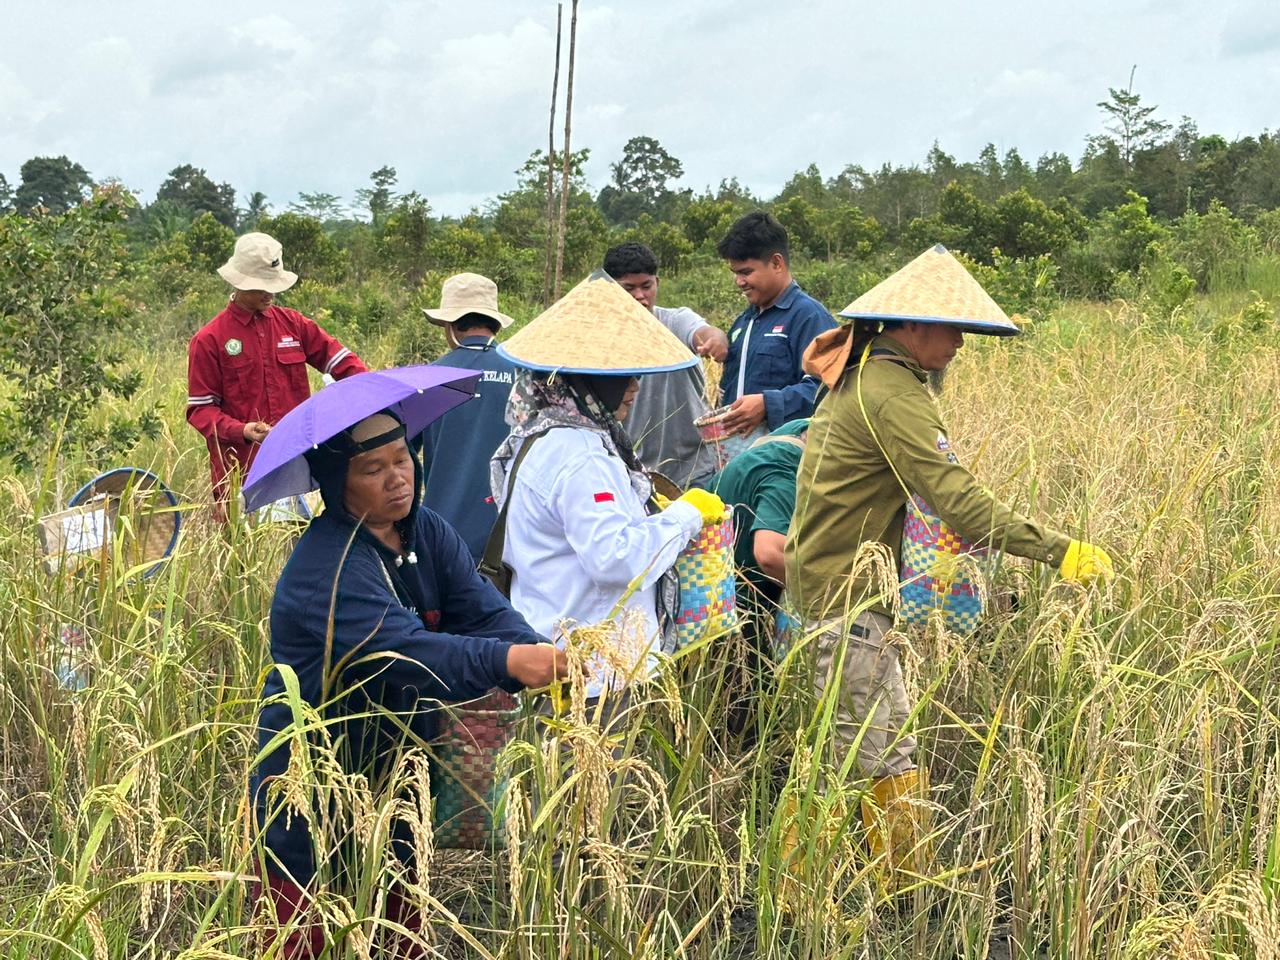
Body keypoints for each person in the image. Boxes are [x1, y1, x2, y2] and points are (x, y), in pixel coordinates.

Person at [784, 244, 1114, 884]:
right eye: (952, 328)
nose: (961, 342)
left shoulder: (868, 373)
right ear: (911, 325)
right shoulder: (891, 391)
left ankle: (873, 884)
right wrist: (1056, 550)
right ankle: (834, 896)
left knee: (861, 743)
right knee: (865, 750)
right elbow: (955, 498)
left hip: (837, 590)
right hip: (843, 597)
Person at [250, 411, 565, 958]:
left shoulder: (426, 530)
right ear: (335, 481)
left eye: (403, 459)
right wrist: (509, 662)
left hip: (398, 773)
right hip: (313, 782)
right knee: (304, 935)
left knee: (398, 930)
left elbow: (483, 611)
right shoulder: (327, 568)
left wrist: (532, 646)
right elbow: (411, 654)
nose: (398, 477)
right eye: (373, 468)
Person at [491, 271, 726, 714]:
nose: (635, 385)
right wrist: (685, 516)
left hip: (559, 653)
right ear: (585, 380)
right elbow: (615, 559)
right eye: (622, 375)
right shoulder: (581, 455)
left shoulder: (541, 434)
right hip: (596, 675)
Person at [186, 232, 367, 519]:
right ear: (239, 283)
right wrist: (243, 431)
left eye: (273, 285)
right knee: (248, 556)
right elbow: (200, 411)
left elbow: (339, 360)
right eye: (261, 287)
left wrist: (370, 390)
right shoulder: (209, 340)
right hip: (243, 473)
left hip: (300, 468)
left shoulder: (293, 324)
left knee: (303, 549)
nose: (270, 293)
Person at [710, 419, 809, 736]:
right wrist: (831, 598)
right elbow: (769, 553)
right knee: (755, 721)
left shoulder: (801, 427)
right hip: (726, 607)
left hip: (725, 590)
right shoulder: (788, 472)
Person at [603, 242, 728, 488]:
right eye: (629, 288)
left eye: (646, 286)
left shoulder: (676, 321)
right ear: (610, 290)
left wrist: (714, 341)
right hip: (632, 474)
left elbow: (703, 332)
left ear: (657, 282)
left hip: (694, 470)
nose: (640, 296)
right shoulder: (602, 340)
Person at [419, 272, 518, 562]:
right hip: (509, 533)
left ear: (449, 325)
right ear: (496, 323)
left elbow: (404, 458)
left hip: (442, 532)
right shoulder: (522, 375)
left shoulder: (428, 379)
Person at [715, 211, 835, 444]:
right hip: (739, 457)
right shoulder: (744, 322)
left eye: (746, 272)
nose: (739, 282)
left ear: (777, 263)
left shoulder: (809, 317)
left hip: (786, 459)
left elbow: (827, 390)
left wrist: (767, 404)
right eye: (735, 273)